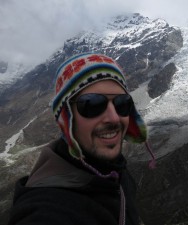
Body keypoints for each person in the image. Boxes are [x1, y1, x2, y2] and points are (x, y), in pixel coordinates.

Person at [7, 53, 155, 225]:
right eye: (92, 104)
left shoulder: (116, 170)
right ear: (66, 118)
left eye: (122, 103)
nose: (113, 118)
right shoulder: (47, 210)